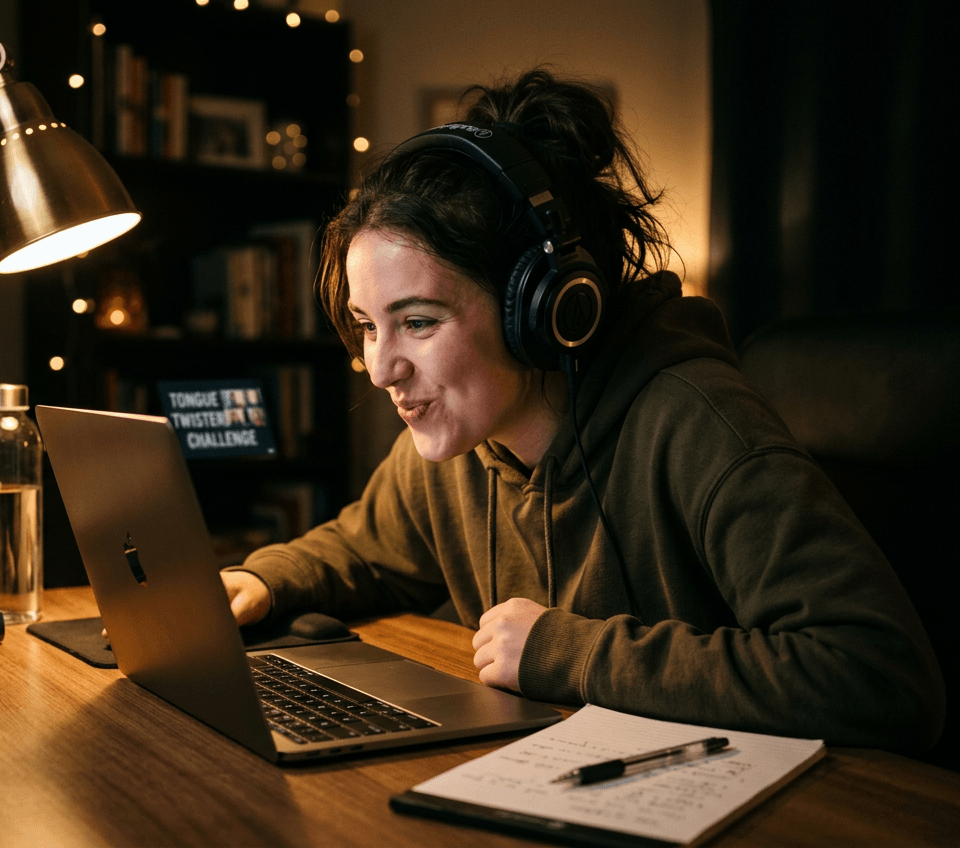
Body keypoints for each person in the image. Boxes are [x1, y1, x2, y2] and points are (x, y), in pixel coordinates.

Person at [220, 68, 944, 753]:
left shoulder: (697, 426)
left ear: (544, 310)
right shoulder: (455, 442)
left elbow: (882, 676)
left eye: (418, 323)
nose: (380, 368)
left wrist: (571, 651)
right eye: (368, 325)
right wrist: (264, 581)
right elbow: (363, 549)